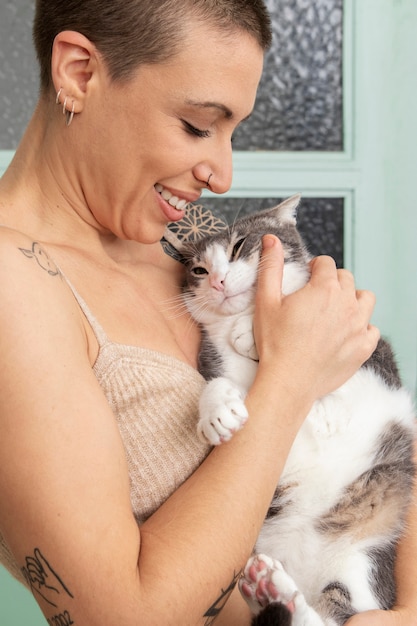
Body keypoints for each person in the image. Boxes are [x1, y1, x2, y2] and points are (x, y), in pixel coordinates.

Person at [0, 1, 415, 624]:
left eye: (233, 132)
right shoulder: (14, 284)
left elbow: (373, 425)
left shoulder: (181, 233)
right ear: (80, 73)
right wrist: (291, 376)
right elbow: (121, 616)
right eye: (198, 125)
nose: (222, 174)